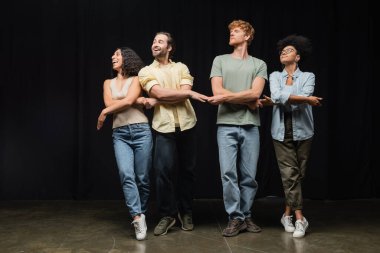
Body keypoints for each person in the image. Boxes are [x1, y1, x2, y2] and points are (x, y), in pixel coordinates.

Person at [138, 32, 209, 236]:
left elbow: (172, 94)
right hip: (163, 127)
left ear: (170, 47)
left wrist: (174, 95)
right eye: (153, 41)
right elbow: (159, 93)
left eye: (160, 41)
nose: (155, 44)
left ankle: (186, 211)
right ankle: (167, 215)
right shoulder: (145, 71)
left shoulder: (182, 67)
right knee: (162, 173)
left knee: (188, 171)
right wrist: (186, 94)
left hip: (188, 124)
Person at [208, 20, 267, 237]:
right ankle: (235, 217)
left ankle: (246, 214)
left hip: (251, 125)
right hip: (225, 125)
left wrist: (234, 97)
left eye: (237, 30)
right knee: (228, 174)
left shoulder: (259, 64)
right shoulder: (220, 60)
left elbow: (255, 94)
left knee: (249, 176)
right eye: (230, 30)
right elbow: (217, 91)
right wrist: (248, 99)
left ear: (248, 36)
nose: (232, 33)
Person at [261, 35, 322, 238]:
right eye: (282, 51)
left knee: (298, 175)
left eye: (289, 50)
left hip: (304, 131)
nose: (283, 52)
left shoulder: (308, 76)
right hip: (280, 132)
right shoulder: (274, 76)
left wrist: (284, 98)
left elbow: (281, 98)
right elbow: (281, 96)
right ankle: (299, 218)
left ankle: (285, 214)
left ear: (298, 57)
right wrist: (304, 98)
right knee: (290, 175)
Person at [97, 47, 153, 241]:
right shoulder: (107, 82)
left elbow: (125, 102)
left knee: (143, 178)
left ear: (127, 59)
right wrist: (132, 100)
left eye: (117, 54)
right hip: (120, 133)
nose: (113, 57)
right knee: (126, 174)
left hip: (141, 131)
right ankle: (137, 218)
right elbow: (110, 104)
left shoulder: (137, 79)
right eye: (113, 55)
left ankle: (142, 212)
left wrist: (113, 107)